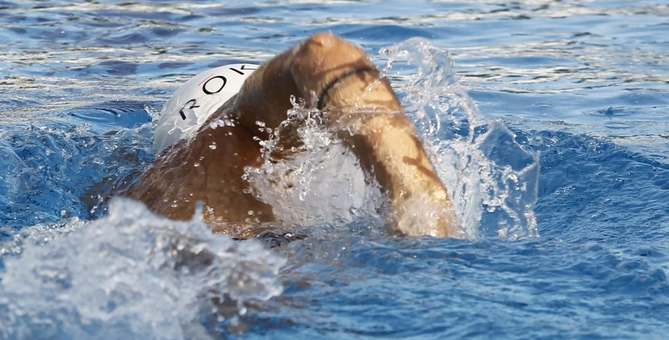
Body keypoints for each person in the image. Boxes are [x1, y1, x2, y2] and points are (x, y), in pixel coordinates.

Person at [127, 32, 460, 238]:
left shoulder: (144, 198)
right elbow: (322, 53)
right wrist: (417, 194)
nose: (295, 154)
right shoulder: (226, 140)